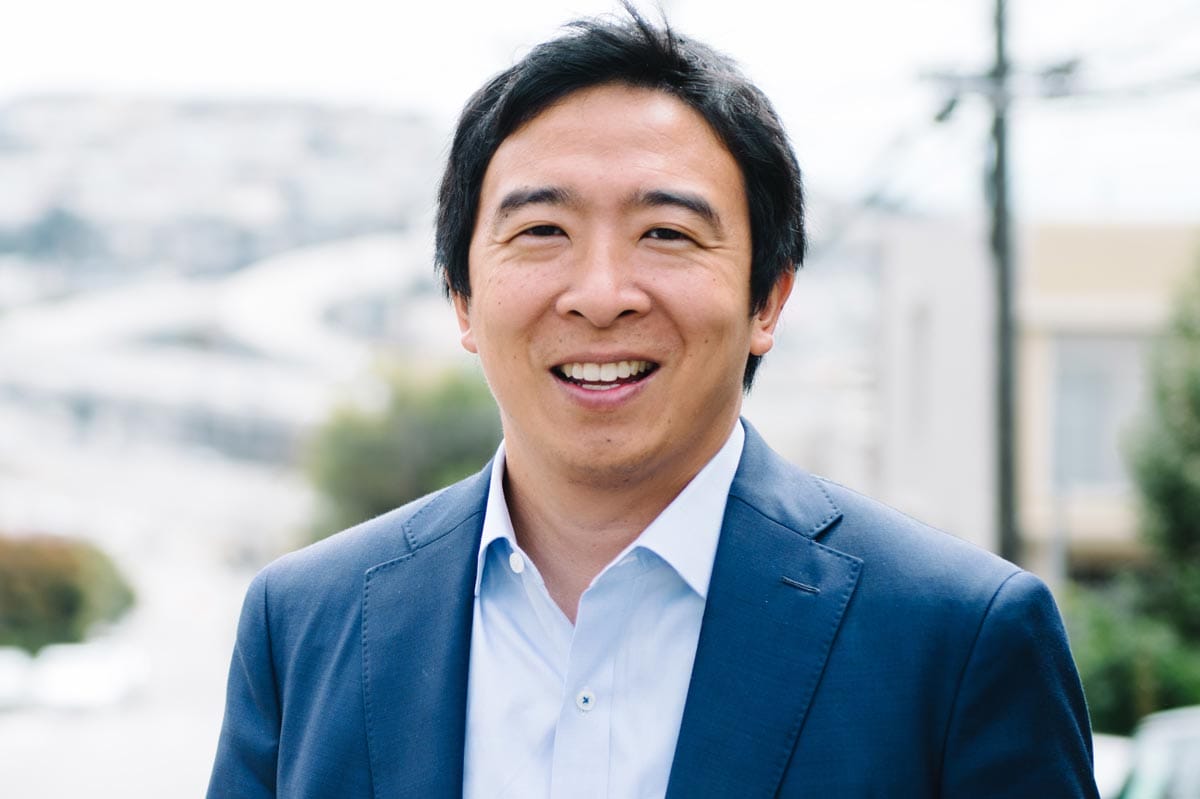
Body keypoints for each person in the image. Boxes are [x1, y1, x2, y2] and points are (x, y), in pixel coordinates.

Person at [208, 7, 1100, 798]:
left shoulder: (956, 639)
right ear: (463, 300)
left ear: (768, 301)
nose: (600, 294)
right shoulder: (307, 623)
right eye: (542, 231)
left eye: (666, 233)